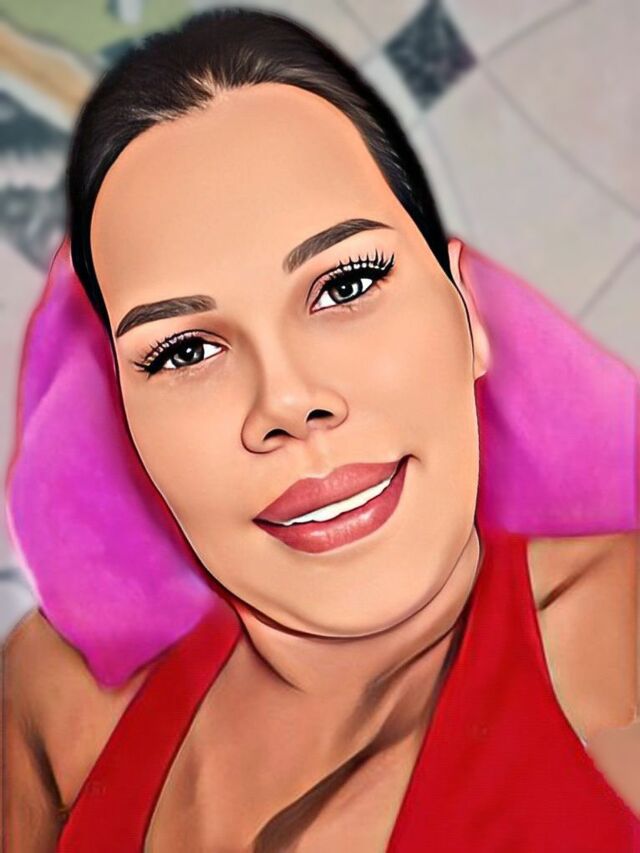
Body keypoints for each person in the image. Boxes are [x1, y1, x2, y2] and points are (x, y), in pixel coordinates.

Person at [2, 8, 639, 851]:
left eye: (345, 284)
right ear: (125, 416)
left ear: (467, 311)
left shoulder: (617, 637)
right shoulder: (58, 706)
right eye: (185, 349)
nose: (288, 400)